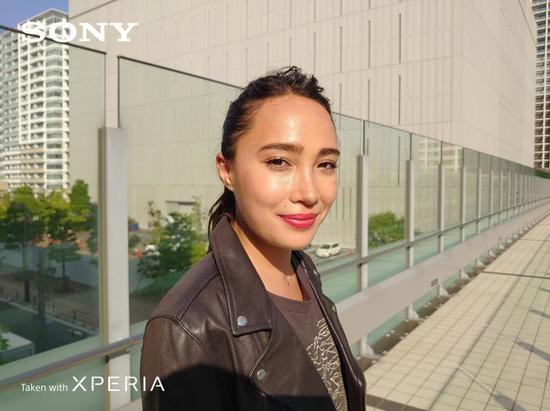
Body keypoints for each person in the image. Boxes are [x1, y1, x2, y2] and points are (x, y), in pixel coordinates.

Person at [140, 66, 366, 411]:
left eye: (326, 164)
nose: (309, 193)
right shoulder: (187, 328)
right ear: (227, 170)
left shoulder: (302, 268)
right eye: (279, 161)